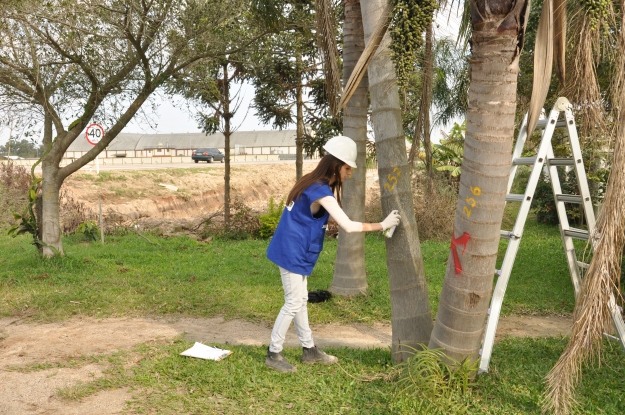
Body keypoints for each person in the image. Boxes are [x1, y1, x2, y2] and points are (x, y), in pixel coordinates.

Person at [265, 135, 401, 373]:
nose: (350, 173)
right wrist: (382, 224)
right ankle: (273, 354)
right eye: (348, 168)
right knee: (294, 302)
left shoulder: (311, 183)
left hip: (294, 249)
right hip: (292, 252)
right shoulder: (321, 192)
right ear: (337, 165)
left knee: (301, 301)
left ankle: (309, 350)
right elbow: (348, 225)